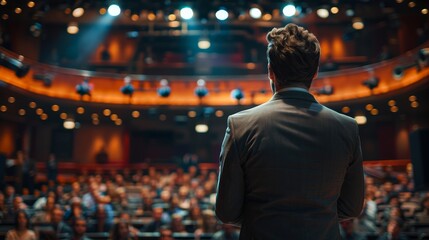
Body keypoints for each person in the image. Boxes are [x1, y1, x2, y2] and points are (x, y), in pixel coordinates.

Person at [215, 23, 365, 239]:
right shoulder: (347, 128)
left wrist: (263, 218)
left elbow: (226, 212)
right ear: (315, 73)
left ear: (270, 72)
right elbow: (351, 208)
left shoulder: (240, 125)